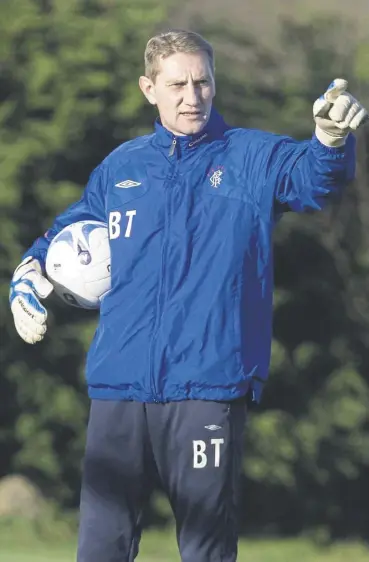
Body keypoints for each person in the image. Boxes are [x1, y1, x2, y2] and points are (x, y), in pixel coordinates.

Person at [9, 29, 368, 562]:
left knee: (205, 550)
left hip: (208, 383)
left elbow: (312, 179)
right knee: (99, 549)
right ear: (148, 88)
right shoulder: (121, 167)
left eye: (202, 82)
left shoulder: (253, 156)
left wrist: (331, 144)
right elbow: (64, 236)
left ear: (214, 83)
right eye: (177, 84)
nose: (191, 96)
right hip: (119, 388)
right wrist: (25, 277)